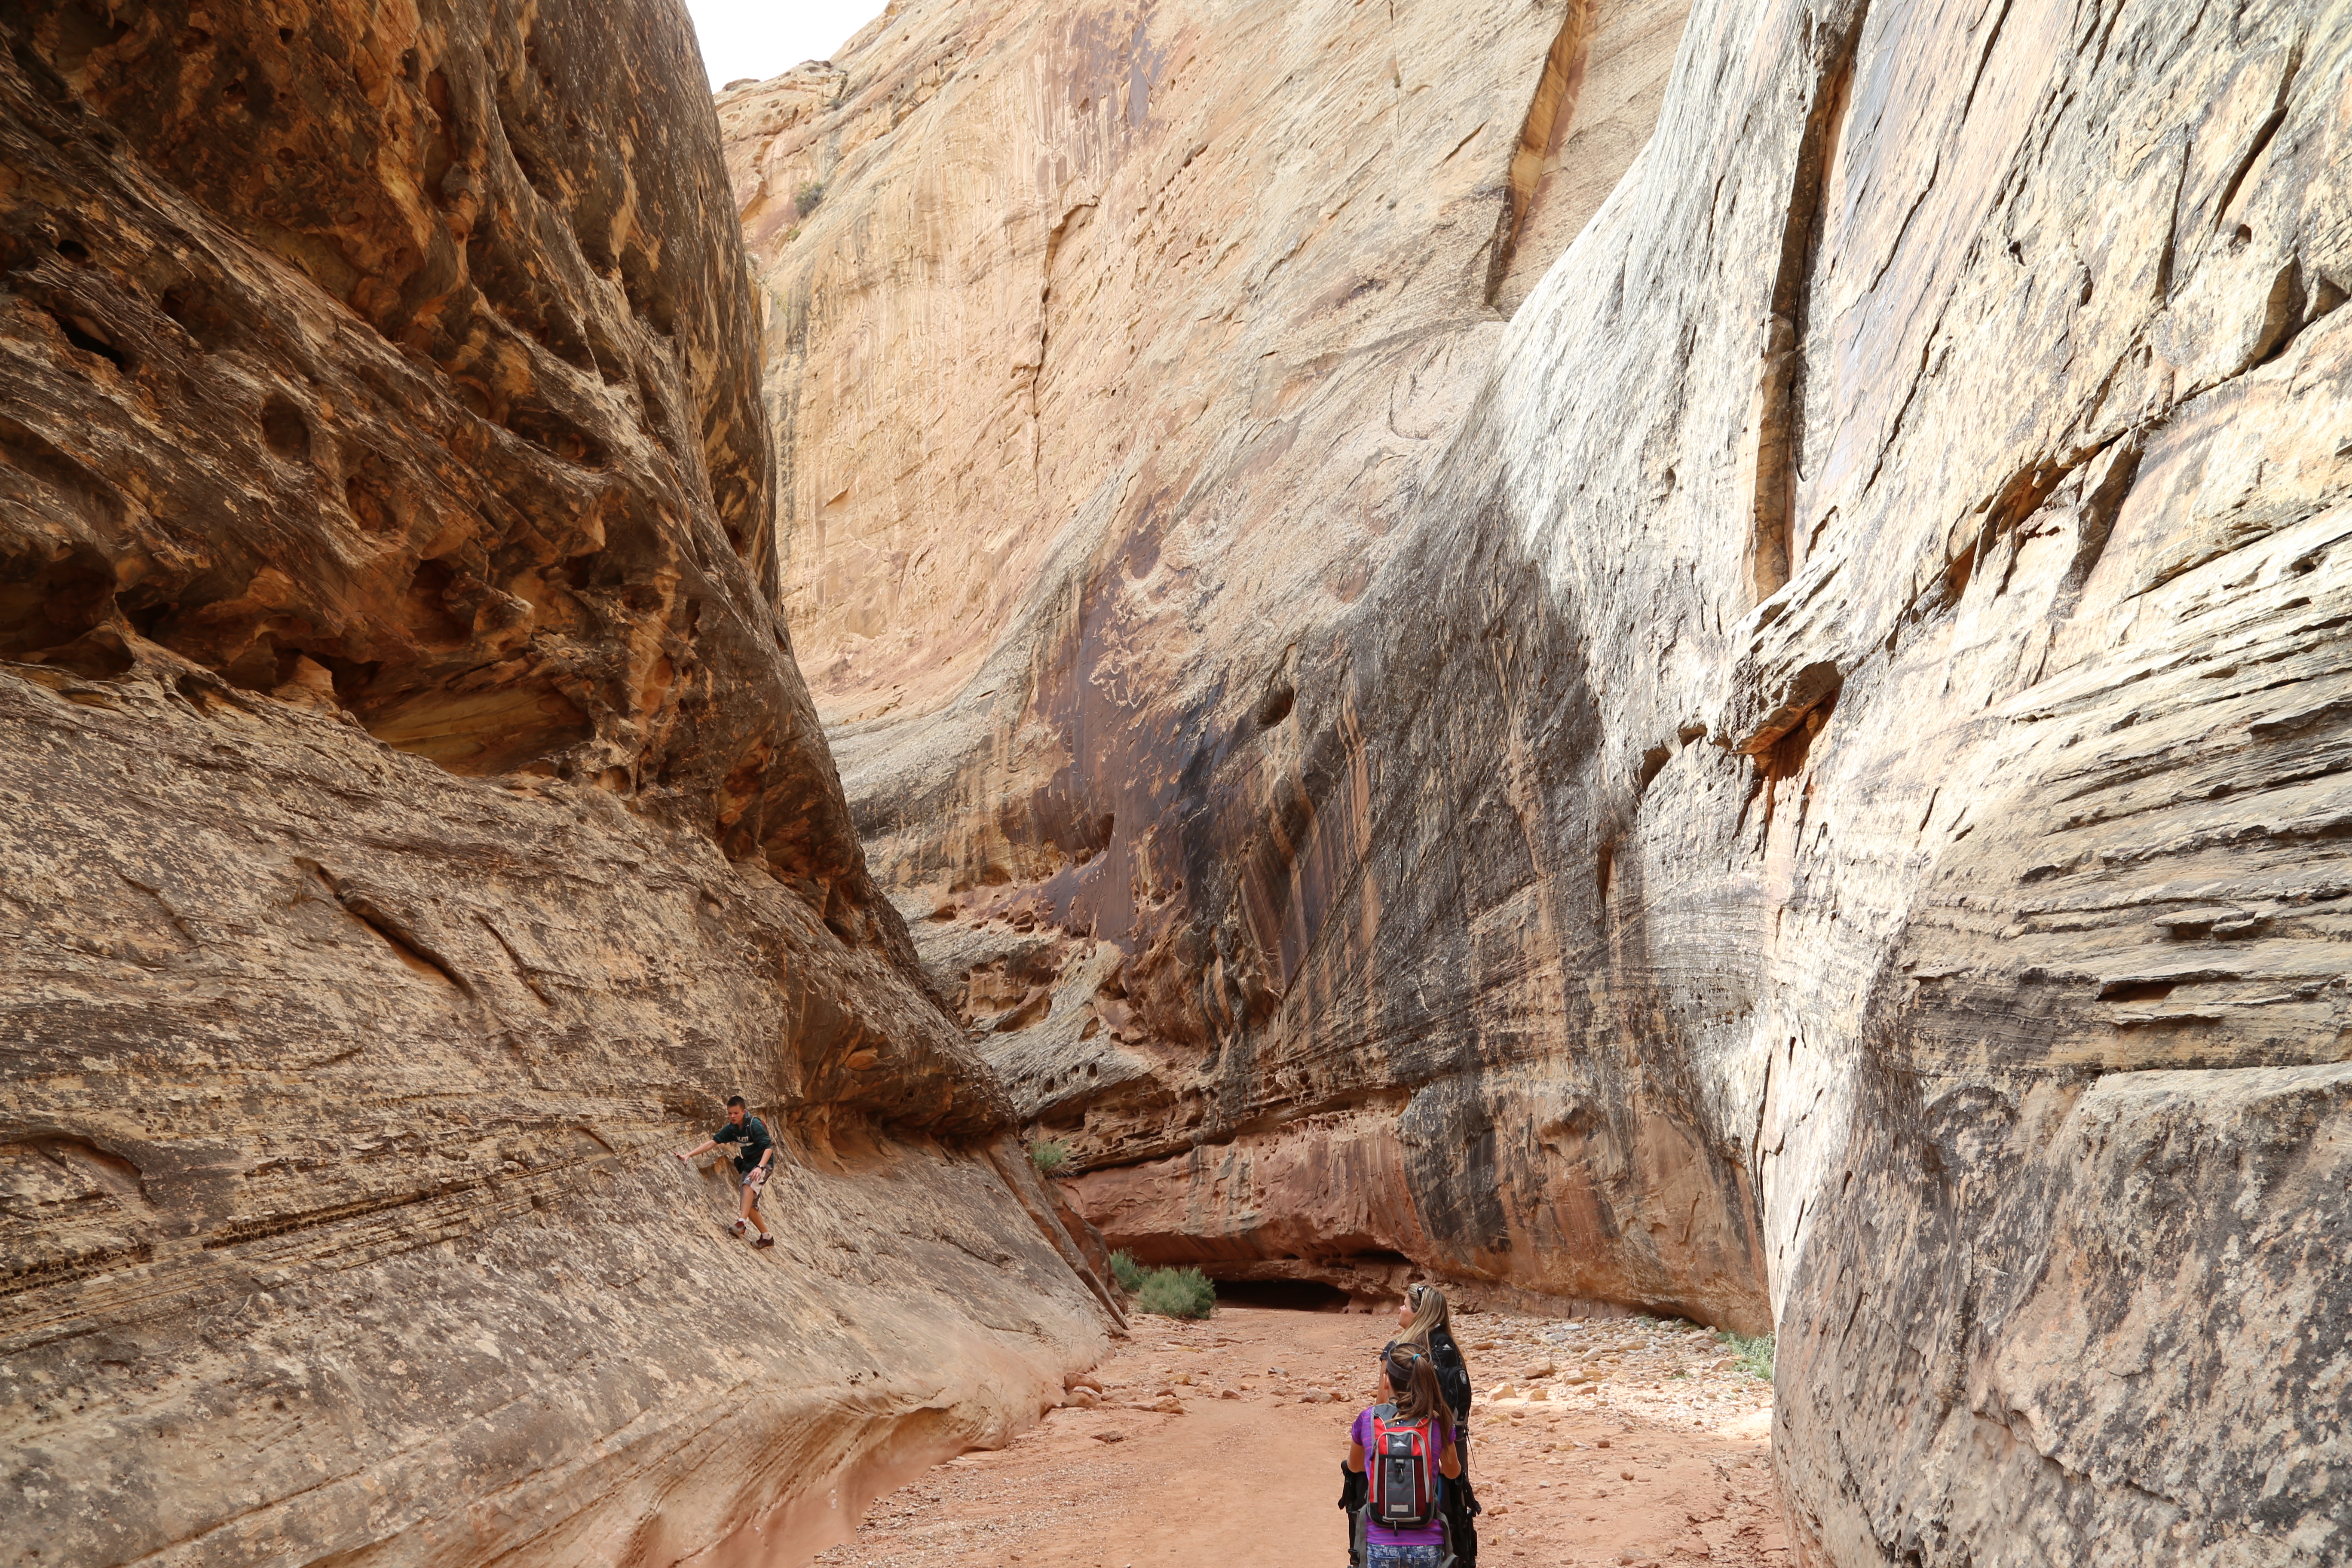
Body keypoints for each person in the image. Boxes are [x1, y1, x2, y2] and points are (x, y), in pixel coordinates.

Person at [1345, 1344, 1462, 1568]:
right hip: (1427, 1543)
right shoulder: (1438, 1421)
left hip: (1380, 1542)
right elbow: (1452, 1471)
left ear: (1386, 1380)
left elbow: (1354, 1466)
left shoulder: (1369, 1419)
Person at [674, 1095, 776, 1247]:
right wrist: (688, 1155)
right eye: (730, 1113)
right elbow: (712, 1143)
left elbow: (768, 1149)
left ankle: (741, 1224)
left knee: (748, 1186)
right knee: (748, 1205)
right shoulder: (733, 1128)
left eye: (736, 1113)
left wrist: (760, 1167)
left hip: (764, 1163)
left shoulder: (754, 1125)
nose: (732, 1116)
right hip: (748, 1166)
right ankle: (767, 1237)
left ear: (744, 1112)